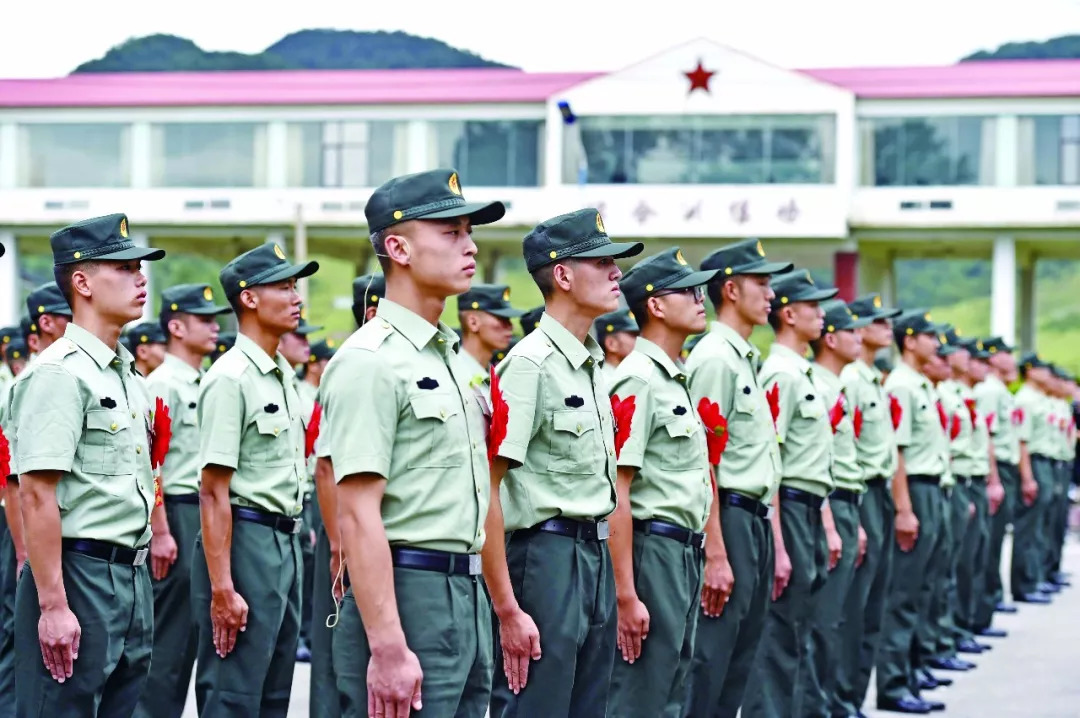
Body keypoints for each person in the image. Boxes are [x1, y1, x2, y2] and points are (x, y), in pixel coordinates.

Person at [321, 168, 504, 717]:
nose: (469, 246)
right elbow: (356, 514)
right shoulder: (370, 360)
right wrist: (387, 645)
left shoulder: (449, 360)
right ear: (397, 247)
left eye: (469, 231)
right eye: (450, 233)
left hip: (464, 594)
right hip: (407, 591)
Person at [486, 208, 642, 717]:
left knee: (588, 705)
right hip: (544, 557)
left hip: (591, 554)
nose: (617, 272)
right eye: (602, 262)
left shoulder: (592, 364)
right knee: (540, 704)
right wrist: (508, 608)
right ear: (563, 274)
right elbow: (490, 488)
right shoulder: (529, 365)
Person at [10, 213, 165, 714]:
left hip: (132, 574)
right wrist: (53, 604)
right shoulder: (59, 374)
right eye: (123, 268)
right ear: (81, 281)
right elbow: (35, 492)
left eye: (139, 267)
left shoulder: (129, 377)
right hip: (79, 573)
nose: (140, 277)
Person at [191, 241, 319, 715]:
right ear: (248, 298)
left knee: (273, 691)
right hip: (245, 542)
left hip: (284, 542)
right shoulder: (231, 377)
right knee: (234, 691)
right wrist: (222, 587)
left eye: (294, 286)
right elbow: (212, 490)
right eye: (283, 287)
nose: (296, 297)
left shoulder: (281, 375)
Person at [605, 248, 722, 718]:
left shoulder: (674, 377)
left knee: (672, 682)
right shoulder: (638, 379)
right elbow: (619, 490)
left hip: (681, 551)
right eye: (689, 291)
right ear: (654, 306)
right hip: (654, 551)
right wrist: (626, 592)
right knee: (643, 690)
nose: (701, 299)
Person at [682, 239, 791, 718]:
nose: (771, 294)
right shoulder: (715, 360)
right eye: (762, 283)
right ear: (730, 289)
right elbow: (704, 462)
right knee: (712, 658)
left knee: (741, 656)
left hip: (755, 519)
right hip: (729, 519)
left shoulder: (744, 358)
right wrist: (716, 552)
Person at [742, 270, 840, 718]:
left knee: (804, 626)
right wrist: (780, 543)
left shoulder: (800, 372)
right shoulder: (779, 374)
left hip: (810, 508)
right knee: (782, 631)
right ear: (789, 314)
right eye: (814, 306)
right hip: (790, 510)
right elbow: (773, 466)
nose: (823, 315)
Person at [134, 284, 230, 718]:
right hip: (177, 512)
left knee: (198, 634)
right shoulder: (163, 384)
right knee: (170, 643)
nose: (214, 327)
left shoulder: (205, 380)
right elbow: (151, 463)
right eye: (204, 319)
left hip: (203, 511)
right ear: (176, 326)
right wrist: (161, 530)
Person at [875, 310, 951, 714]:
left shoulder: (920, 384)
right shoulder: (902, 386)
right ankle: (893, 682)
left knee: (924, 586)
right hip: (915, 490)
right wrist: (904, 509)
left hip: (933, 487)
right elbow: (898, 454)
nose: (936, 344)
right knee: (903, 592)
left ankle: (914, 669)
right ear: (909, 341)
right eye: (928, 336)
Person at [834, 292, 902, 718]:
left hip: (878, 491)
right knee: (852, 609)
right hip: (857, 493)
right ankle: (842, 699)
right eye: (877, 322)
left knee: (873, 603)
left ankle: (854, 697)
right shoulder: (850, 379)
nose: (885, 328)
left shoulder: (873, 376)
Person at [805, 299, 871, 716]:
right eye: (854, 331)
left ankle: (835, 701)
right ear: (831, 338)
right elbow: (814, 460)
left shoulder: (836, 385)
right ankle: (821, 705)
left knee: (845, 615)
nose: (861, 338)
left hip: (849, 500)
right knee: (822, 620)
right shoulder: (815, 382)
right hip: (824, 503)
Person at [973, 336, 1027, 626]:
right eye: (1006, 353)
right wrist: (994, 478)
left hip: (1006, 466)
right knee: (990, 542)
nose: (1011, 359)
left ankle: (990, 602)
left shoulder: (1000, 391)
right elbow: (988, 439)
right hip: (997, 467)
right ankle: (983, 608)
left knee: (993, 540)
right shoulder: (990, 392)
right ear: (993, 357)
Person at [1012, 353, 1057, 603]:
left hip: (1047, 462)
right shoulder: (1026, 400)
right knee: (1029, 528)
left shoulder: (1040, 400)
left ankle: (1036, 577)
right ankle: (1025, 584)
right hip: (1035, 462)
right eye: (1041, 369)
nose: (1047, 375)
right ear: (1029, 371)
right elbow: (1022, 441)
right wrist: (1028, 477)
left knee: (1040, 527)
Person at [455, 283, 523, 396]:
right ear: (473, 322)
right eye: (501, 318)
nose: (510, 326)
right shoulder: (456, 375)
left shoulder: (494, 376)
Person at [594, 308, 638, 382]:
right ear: (611, 343)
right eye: (634, 335)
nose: (641, 340)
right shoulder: (601, 382)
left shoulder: (631, 377)